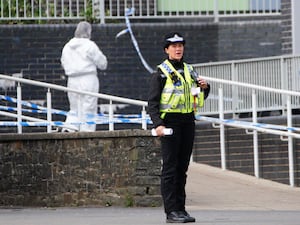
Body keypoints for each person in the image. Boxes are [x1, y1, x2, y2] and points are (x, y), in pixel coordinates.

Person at [148, 32, 210, 223]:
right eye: (174, 46)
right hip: (170, 124)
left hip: (187, 122)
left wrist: (205, 88)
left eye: (180, 45)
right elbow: (152, 103)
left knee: (182, 168)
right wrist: (158, 124)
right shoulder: (161, 72)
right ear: (167, 50)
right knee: (170, 168)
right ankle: (171, 211)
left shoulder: (190, 70)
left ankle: (181, 209)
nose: (178, 49)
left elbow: (196, 97)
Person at [61, 21, 107, 132]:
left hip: (72, 80)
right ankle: (87, 133)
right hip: (88, 78)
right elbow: (102, 63)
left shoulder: (67, 46)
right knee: (89, 108)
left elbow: (63, 62)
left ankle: (70, 129)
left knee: (74, 108)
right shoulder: (89, 45)